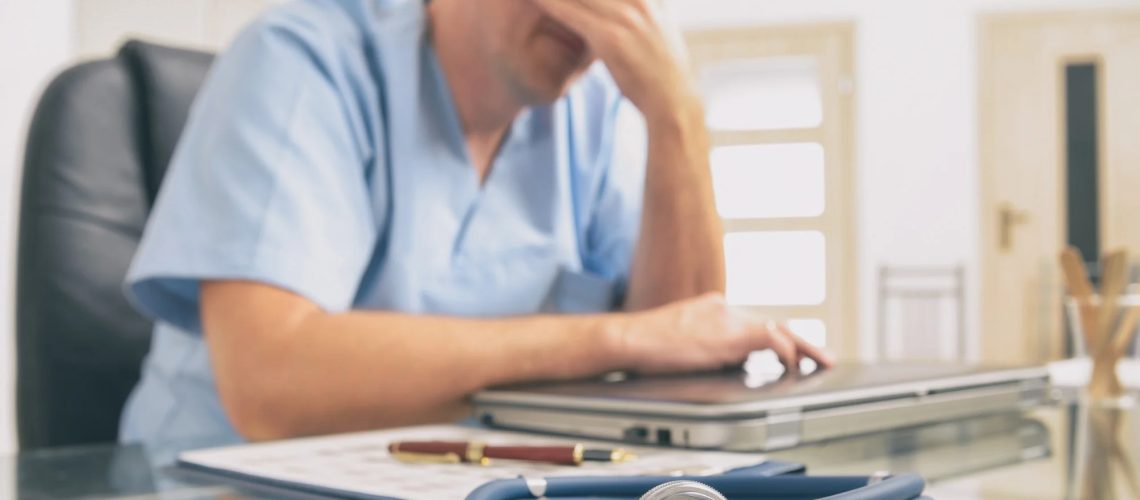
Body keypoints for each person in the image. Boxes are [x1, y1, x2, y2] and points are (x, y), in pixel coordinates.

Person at [120, 0, 832, 445]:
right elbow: (270, 385)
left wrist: (677, 116)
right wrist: (615, 338)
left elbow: (684, 348)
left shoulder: (590, 116)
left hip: (458, 473)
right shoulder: (302, 60)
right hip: (222, 477)